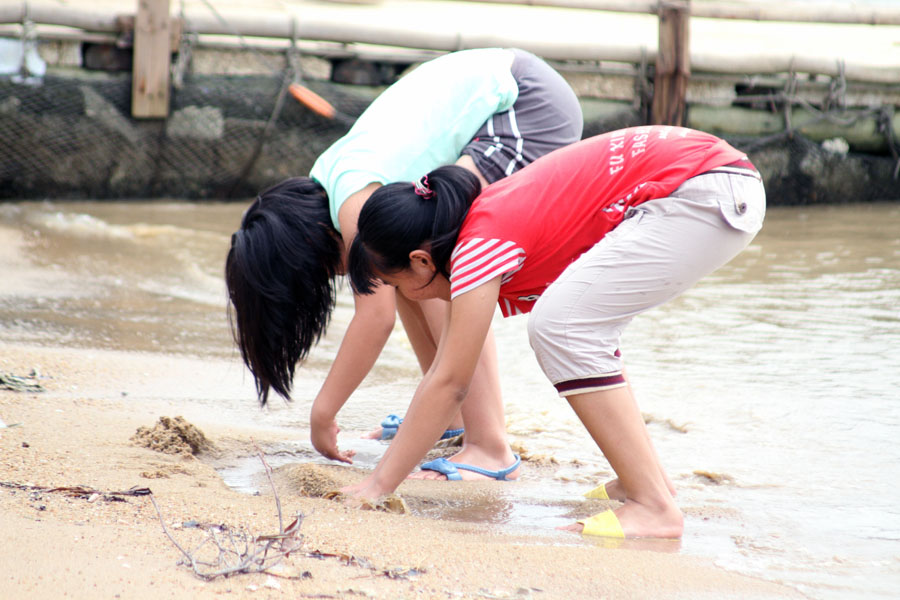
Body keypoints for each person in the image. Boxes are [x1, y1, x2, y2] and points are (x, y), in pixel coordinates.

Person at [344, 125, 766, 537]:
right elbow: (445, 370)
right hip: (707, 180)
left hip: (702, 189)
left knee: (562, 326)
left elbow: (451, 383)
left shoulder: (476, 245)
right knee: (577, 323)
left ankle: (653, 506)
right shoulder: (479, 224)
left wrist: (377, 486)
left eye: (396, 285)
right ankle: (644, 480)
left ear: (420, 261)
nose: (406, 297)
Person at [225, 48, 583, 479]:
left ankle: (489, 444)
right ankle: (452, 420)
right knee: (409, 273)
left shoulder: (355, 207)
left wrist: (323, 412)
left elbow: (375, 320)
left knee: (450, 273)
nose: (331, 278)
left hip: (526, 105)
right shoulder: (332, 181)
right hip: (507, 91)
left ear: (307, 243)